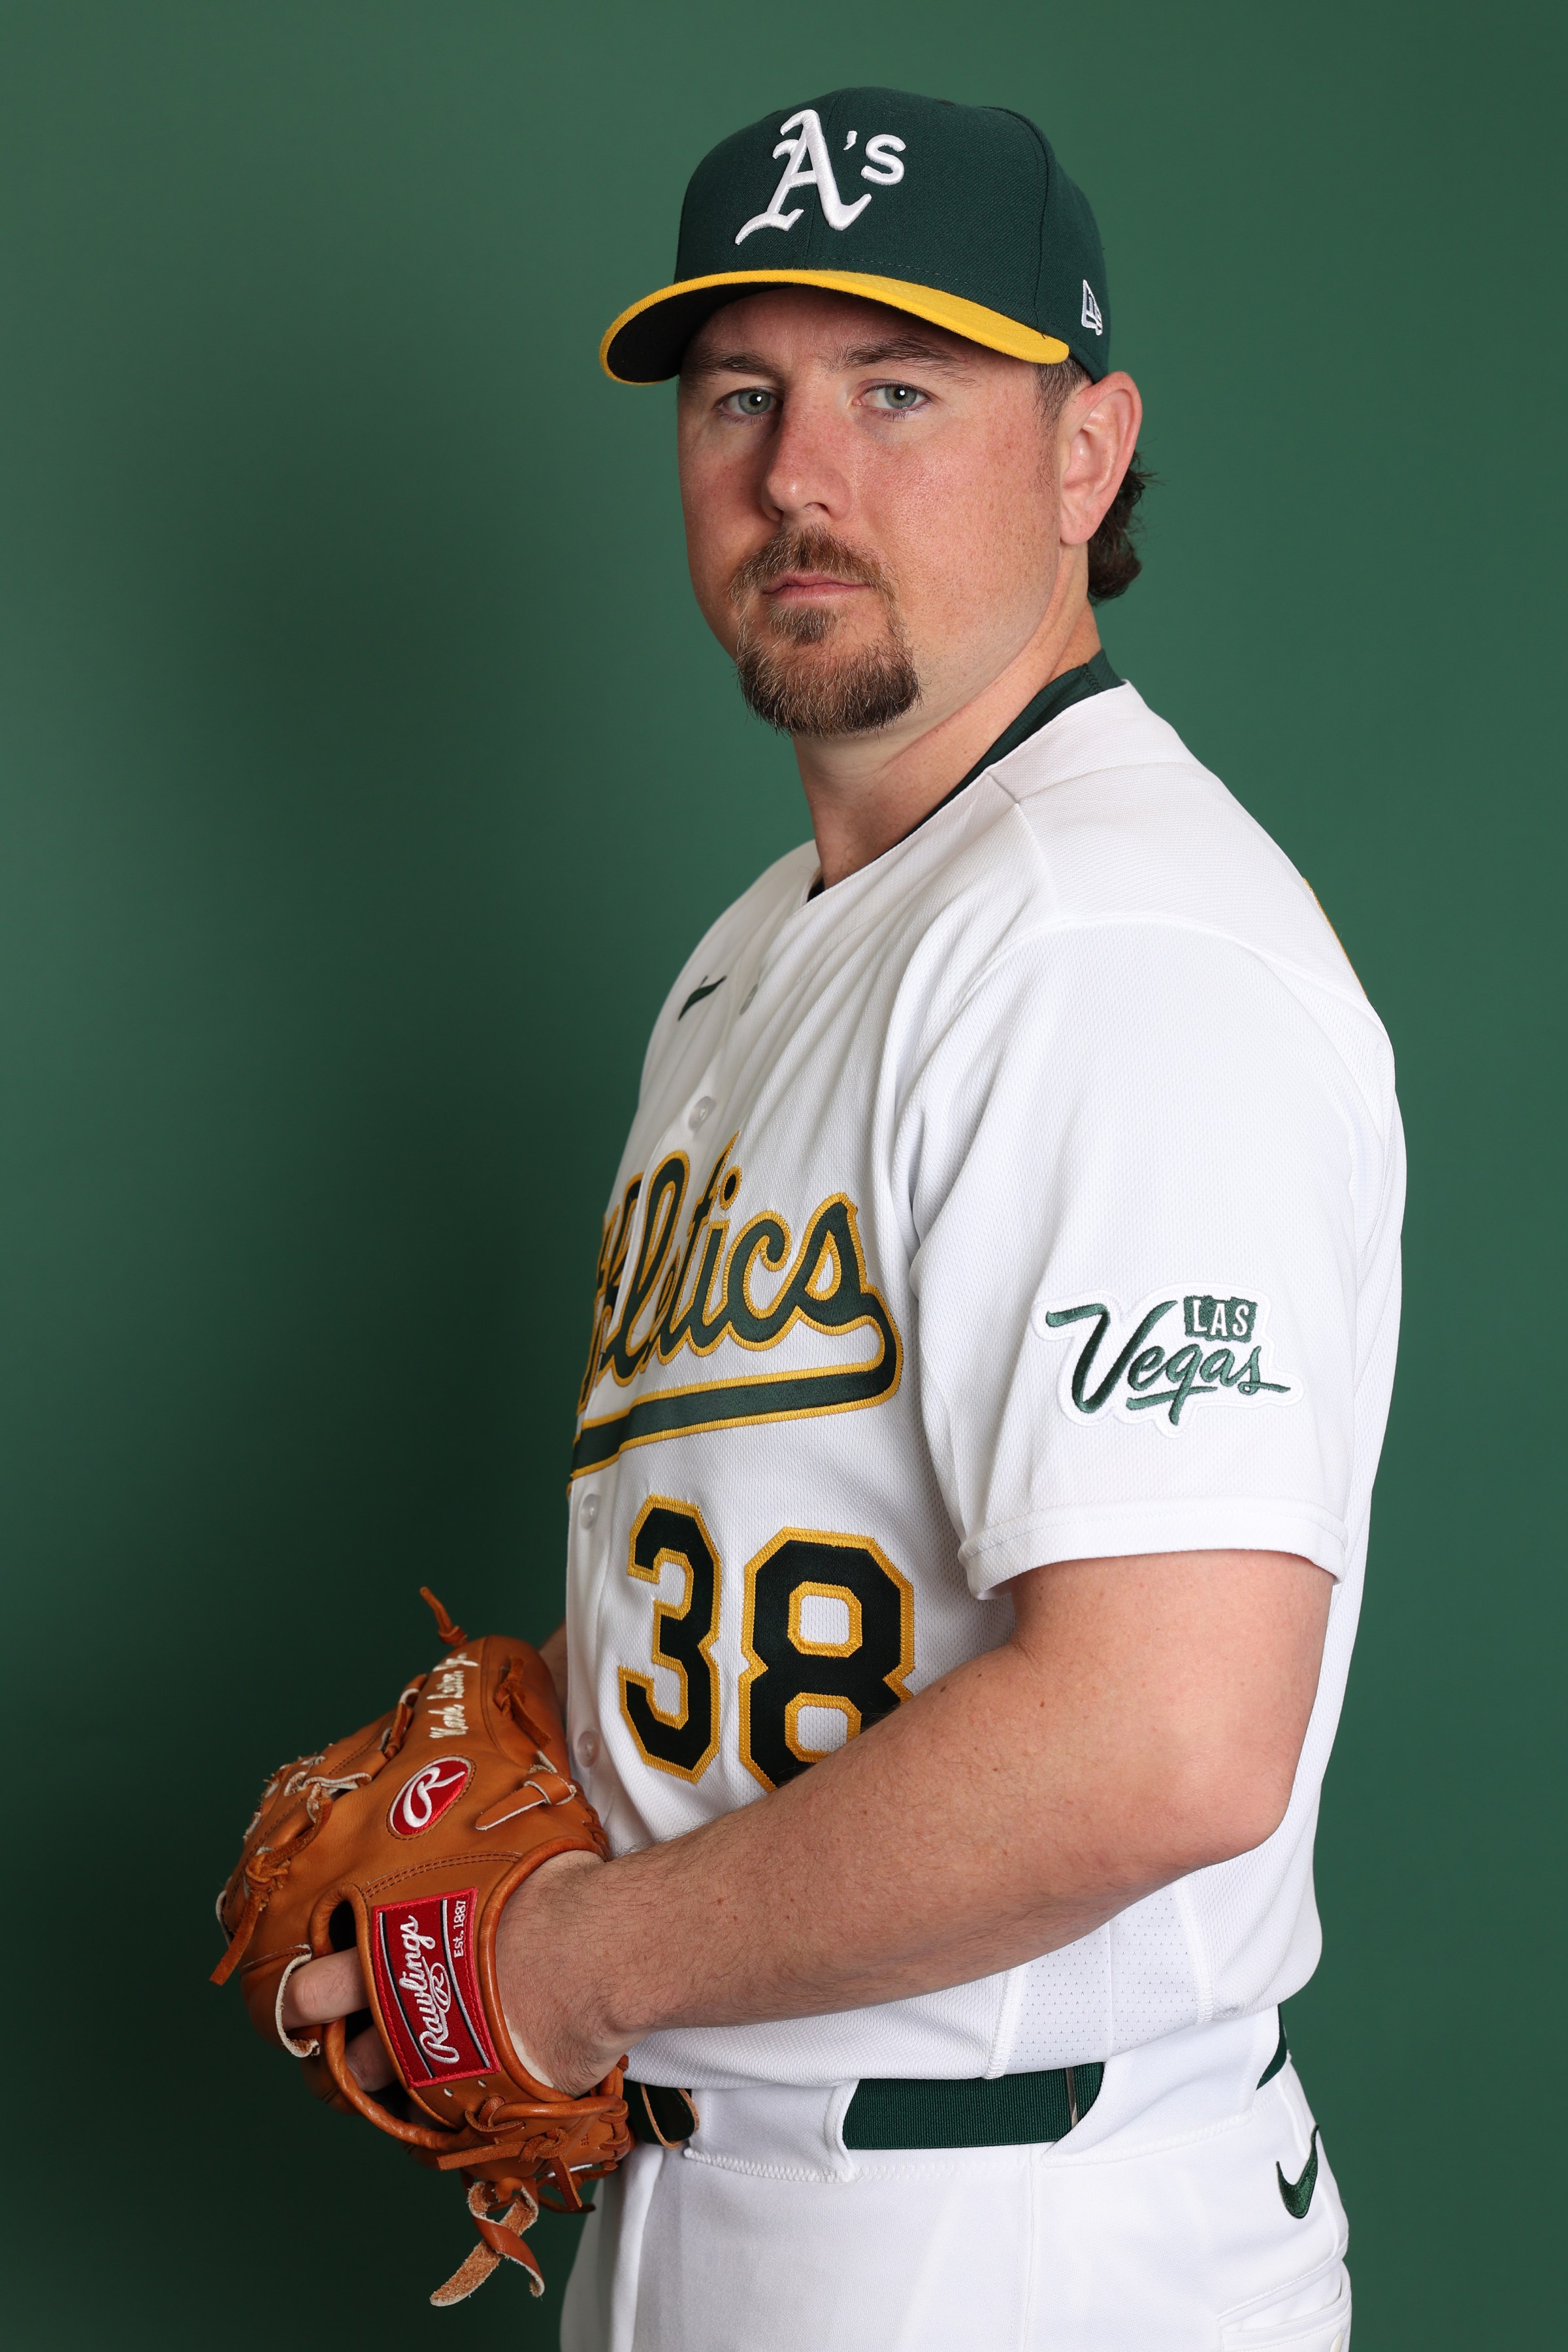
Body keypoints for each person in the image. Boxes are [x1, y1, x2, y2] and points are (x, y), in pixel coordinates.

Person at [285, 89, 1399, 2351]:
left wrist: (570, 1964)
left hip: (1020, 2236)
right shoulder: (758, 955)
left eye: (902, 390)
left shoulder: (1115, 936)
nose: (801, 474)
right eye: (741, 399)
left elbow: (1162, 1738)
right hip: (718, 2200)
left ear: (1088, 454)